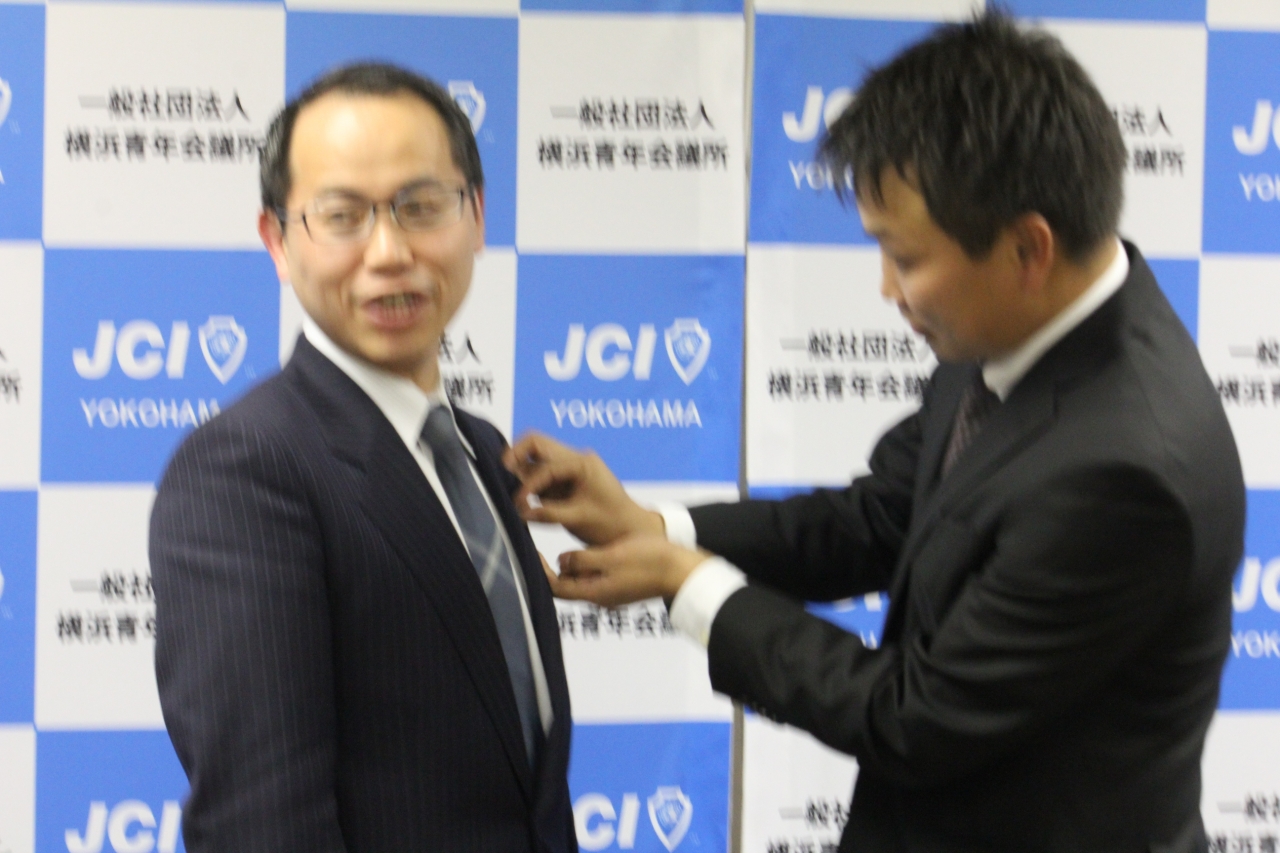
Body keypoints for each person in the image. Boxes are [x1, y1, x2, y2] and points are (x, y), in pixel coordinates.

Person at [505, 12, 1244, 853]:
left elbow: (915, 717)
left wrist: (691, 583)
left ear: (1027, 249)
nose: (888, 289)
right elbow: (880, 518)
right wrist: (655, 527)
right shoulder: (1012, 330)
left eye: (906, 257)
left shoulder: (1126, 469)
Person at [150, 62, 576, 852]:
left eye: (422, 206)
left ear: (477, 216)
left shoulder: (481, 451)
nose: (389, 251)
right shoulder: (244, 470)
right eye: (342, 216)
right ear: (278, 241)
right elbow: (262, 826)